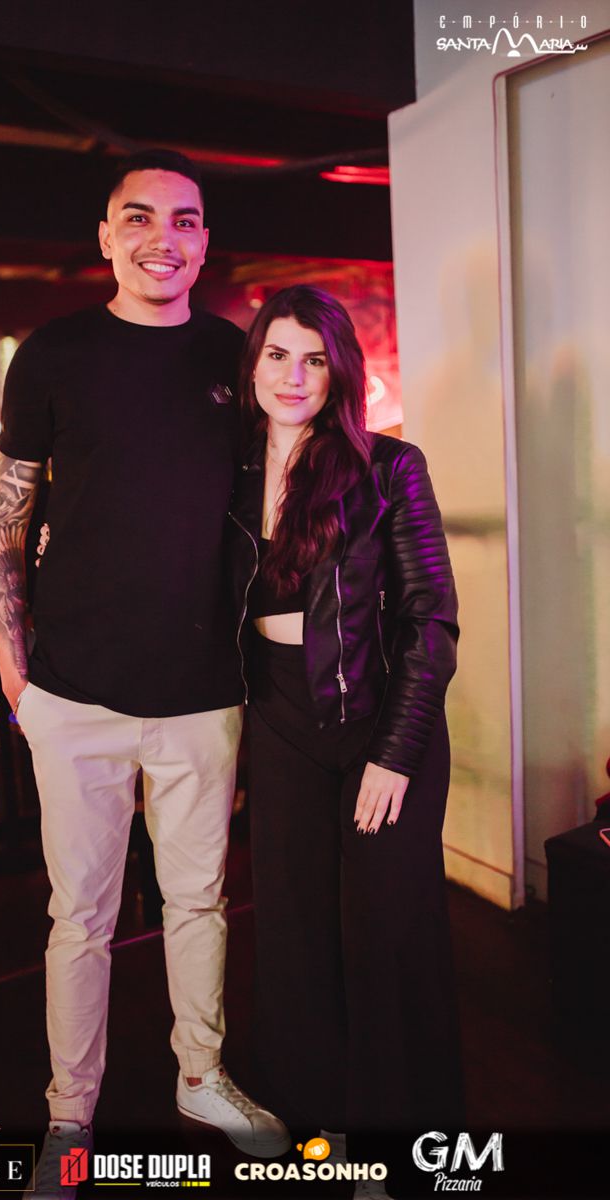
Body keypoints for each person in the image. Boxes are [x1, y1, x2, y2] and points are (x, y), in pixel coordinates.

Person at [0, 149, 290, 1199]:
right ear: (106, 236)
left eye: (186, 220)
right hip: (72, 694)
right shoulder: (53, 353)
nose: (165, 237)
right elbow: (8, 521)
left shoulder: (233, 356)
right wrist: (17, 678)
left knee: (199, 903)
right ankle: (69, 1117)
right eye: (141, 217)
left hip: (205, 694)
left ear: (205, 241)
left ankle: (200, 1078)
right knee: (82, 919)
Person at [228, 286, 463, 1197]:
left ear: (340, 372)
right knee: (294, 931)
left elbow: (431, 620)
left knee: (384, 933)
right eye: (277, 355)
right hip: (278, 719)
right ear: (253, 365)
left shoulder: (389, 467)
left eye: (314, 359)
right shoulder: (229, 470)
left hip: (378, 718)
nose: (294, 376)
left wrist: (396, 752)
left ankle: (399, 1140)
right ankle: (324, 1117)